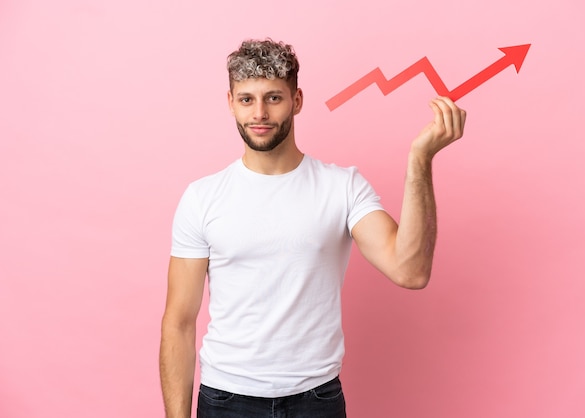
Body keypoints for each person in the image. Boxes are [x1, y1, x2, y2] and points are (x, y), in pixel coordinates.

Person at [159, 38, 466, 418]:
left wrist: (420, 158)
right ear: (230, 103)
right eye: (246, 99)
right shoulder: (202, 197)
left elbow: (411, 270)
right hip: (227, 399)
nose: (259, 113)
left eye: (273, 98)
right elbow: (179, 323)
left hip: (315, 400)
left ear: (297, 100)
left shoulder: (342, 187)